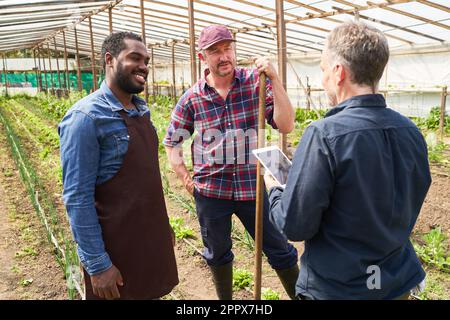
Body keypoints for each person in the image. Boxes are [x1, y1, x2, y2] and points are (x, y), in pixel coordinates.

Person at [265, 21, 431, 300]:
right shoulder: (410, 131)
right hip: (395, 281)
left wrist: (275, 190)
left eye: (323, 70)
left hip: (341, 287)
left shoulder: (324, 134)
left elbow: (295, 225)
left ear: (339, 72)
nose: (323, 79)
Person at [163, 25, 299, 300]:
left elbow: (285, 125)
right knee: (217, 254)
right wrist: (186, 180)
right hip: (212, 192)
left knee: (280, 251)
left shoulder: (256, 83)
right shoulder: (193, 97)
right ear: (203, 57)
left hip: (254, 190)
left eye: (228, 49)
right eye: (215, 51)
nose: (224, 56)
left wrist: (274, 79)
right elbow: (172, 141)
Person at [59, 32, 178, 300]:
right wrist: (98, 266)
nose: (144, 66)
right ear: (109, 60)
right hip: (116, 254)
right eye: (134, 58)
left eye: (146, 60)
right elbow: (78, 199)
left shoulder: (140, 111)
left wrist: (162, 227)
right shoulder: (86, 118)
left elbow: (146, 184)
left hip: (149, 242)